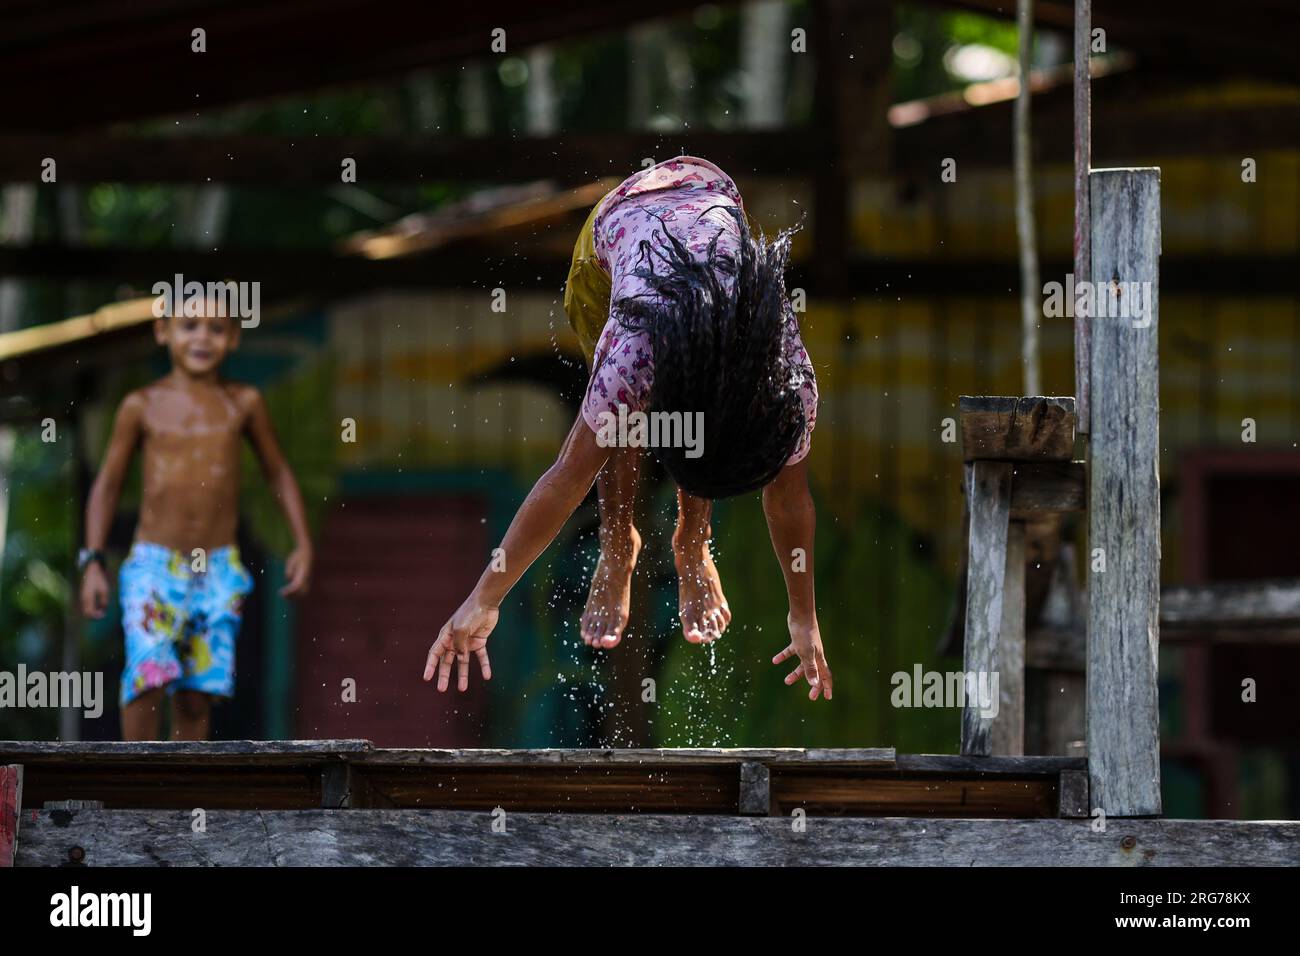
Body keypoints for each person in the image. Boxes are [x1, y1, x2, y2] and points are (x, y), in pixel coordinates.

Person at [423, 156, 831, 701]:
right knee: (615, 423)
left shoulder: (789, 383)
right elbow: (567, 477)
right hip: (617, 231)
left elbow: (788, 500)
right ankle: (619, 544)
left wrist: (802, 616)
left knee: (696, 425)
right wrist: (484, 598)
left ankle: (693, 541)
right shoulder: (630, 355)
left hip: (712, 197)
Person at [78, 300, 312, 740]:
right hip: (153, 566)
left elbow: (276, 471)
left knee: (196, 694)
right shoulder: (141, 405)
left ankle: (182, 804)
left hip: (218, 568)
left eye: (217, 329)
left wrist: (302, 542)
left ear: (235, 338)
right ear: (162, 331)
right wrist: (92, 560)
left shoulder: (243, 402)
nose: (202, 337)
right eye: (189, 326)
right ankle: (135, 793)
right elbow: (107, 485)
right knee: (148, 679)